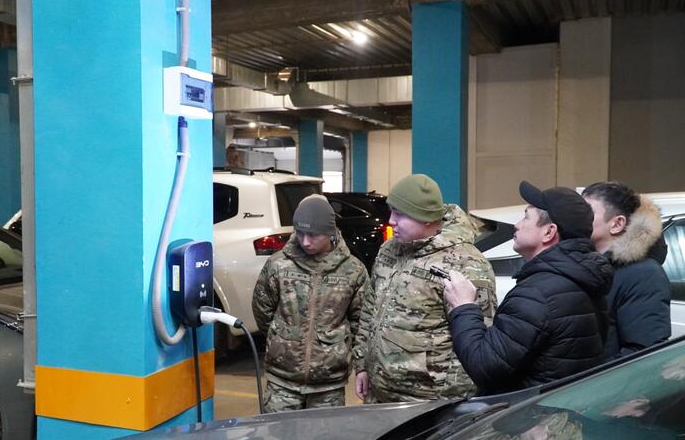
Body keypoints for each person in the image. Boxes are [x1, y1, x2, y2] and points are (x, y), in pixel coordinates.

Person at [443, 181, 613, 395]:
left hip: (530, 411)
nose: (517, 225)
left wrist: (464, 306)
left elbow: (484, 367)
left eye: (525, 217)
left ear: (549, 232)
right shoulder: (582, 279)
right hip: (561, 407)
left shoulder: (537, 293)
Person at [352, 174, 497, 403]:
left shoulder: (467, 264)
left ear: (426, 219)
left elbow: (476, 342)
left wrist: (449, 404)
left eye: (400, 214)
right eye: (391, 211)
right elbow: (370, 308)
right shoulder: (389, 250)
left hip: (426, 402)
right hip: (379, 395)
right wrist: (362, 364)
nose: (391, 221)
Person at [252, 194, 368, 412]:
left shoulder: (353, 270)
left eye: (313, 235)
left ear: (330, 232)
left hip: (329, 384)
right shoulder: (279, 265)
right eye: (300, 233)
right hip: (282, 382)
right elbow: (262, 308)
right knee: (278, 430)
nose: (305, 241)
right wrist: (284, 339)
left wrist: (343, 352)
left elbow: (361, 320)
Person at [582, 181, 671, 360]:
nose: (578, 217)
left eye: (587, 212)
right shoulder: (587, 265)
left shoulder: (643, 274)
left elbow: (642, 353)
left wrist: (591, 376)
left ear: (617, 224)